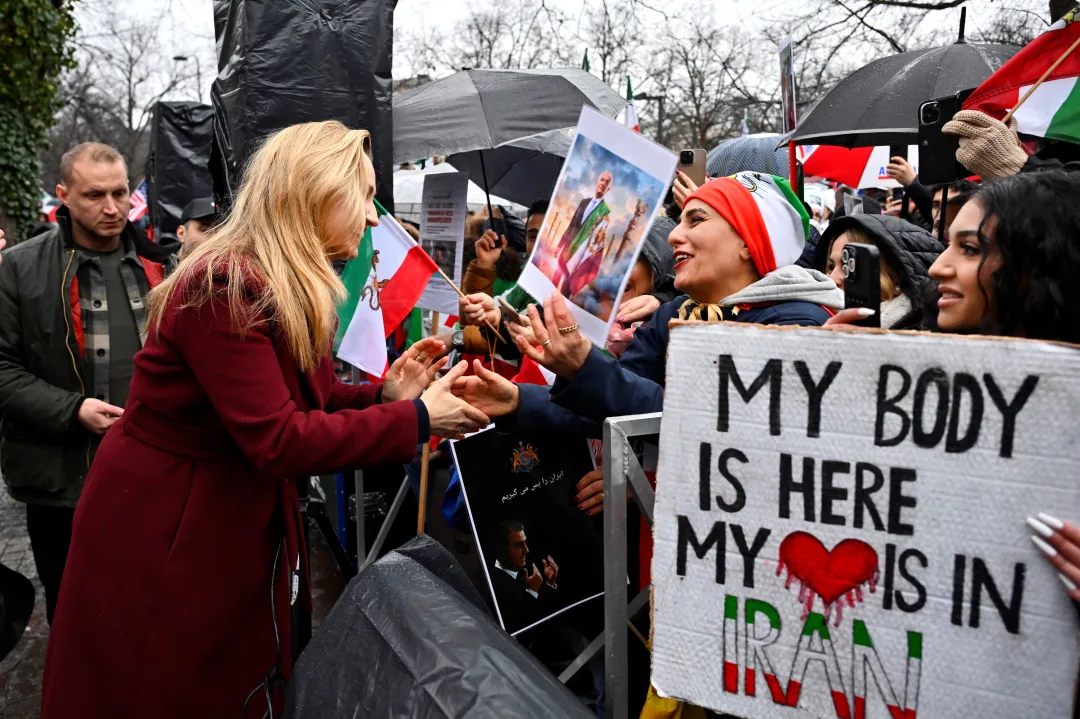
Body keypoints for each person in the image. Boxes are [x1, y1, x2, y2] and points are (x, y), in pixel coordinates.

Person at [40, 122, 488, 718]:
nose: (372, 217)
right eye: (363, 196)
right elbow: (278, 438)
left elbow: (303, 399)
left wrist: (385, 397)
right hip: (169, 527)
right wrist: (418, 418)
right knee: (160, 684)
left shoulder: (275, 278)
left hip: (210, 510)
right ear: (313, 194)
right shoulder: (225, 285)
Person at [452, 172, 842, 436]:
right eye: (680, 221)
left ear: (747, 242)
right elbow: (616, 405)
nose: (673, 236)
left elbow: (702, 425)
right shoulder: (676, 314)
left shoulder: (800, 327)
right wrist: (518, 400)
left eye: (696, 220)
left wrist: (583, 366)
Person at [0, 142, 175, 626]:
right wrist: (72, 409)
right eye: (95, 195)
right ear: (64, 195)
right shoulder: (20, 268)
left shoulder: (163, 265)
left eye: (119, 192)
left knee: (153, 610)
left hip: (154, 475)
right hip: (62, 484)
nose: (112, 207)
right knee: (76, 615)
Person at [815, 214, 940, 329]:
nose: (832, 279)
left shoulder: (918, 338)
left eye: (849, 267)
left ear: (896, 277)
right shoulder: (820, 316)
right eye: (831, 267)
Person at [490, 520, 559, 629]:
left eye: (525, 543)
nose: (526, 550)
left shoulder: (524, 570)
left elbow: (544, 609)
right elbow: (514, 626)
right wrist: (532, 592)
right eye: (518, 545)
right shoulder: (492, 581)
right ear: (502, 549)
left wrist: (550, 583)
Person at [551, 172, 612, 293]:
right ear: (597, 182)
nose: (603, 183)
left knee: (566, 288)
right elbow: (572, 225)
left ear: (608, 188)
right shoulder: (584, 202)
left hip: (579, 254)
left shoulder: (605, 211)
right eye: (602, 180)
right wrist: (559, 246)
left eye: (607, 182)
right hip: (567, 247)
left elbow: (598, 240)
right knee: (553, 282)